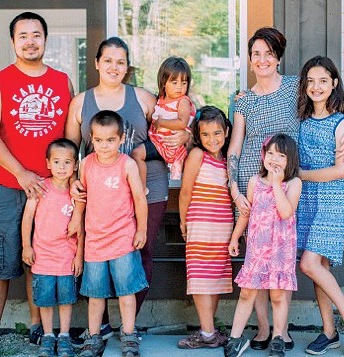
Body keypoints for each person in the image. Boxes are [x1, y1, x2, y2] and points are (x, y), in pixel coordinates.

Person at [227, 27, 344, 351]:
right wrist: (234, 186)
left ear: (278, 57)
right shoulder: (243, 100)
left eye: (268, 54)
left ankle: (281, 331)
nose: (262, 60)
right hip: (252, 183)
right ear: (248, 59)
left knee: (284, 257)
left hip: (288, 185)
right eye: (256, 54)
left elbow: (328, 107)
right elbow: (234, 146)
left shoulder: (292, 88)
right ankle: (261, 330)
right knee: (255, 258)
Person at [65, 37, 190, 340]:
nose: (114, 67)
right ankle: (103, 323)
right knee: (98, 254)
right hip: (101, 190)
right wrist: (72, 181)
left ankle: (127, 326)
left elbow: (178, 129)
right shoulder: (81, 102)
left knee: (140, 250)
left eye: (120, 62)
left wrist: (184, 138)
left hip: (149, 185)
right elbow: (70, 148)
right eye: (107, 60)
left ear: (127, 67)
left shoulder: (144, 98)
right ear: (96, 63)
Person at [0, 12, 73, 357]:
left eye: (36, 35)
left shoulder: (63, 82)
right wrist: (21, 172)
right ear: (13, 41)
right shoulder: (0, 81)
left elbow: (69, 138)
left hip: (51, 190)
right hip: (9, 187)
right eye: (23, 35)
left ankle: (37, 327)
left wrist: (67, 181)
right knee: (1, 262)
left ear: (45, 39)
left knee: (42, 259)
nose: (30, 41)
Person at [297, 56, 344, 357]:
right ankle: (329, 331)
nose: (316, 86)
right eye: (311, 81)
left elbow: (340, 170)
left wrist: (302, 175)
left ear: (334, 83)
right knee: (318, 266)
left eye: (323, 80)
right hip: (307, 200)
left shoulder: (342, 122)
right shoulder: (302, 119)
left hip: (331, 198)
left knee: (309, 264)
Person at [69, 111, 148, 357]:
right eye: (100, 140)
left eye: (111, 140)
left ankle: (129, 335)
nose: (105, 146)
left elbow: (138, 198)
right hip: (94, 241)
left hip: (123, 238)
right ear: (91, 139)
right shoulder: (86, 164)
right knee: (95, 294)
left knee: (126, 292)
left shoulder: (127, 164)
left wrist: (142, 228)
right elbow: (81, 197)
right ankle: (94, 338)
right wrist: (75, 218)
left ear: (121, 138)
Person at [225, 134, 302, 357]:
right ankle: (235, 338)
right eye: (270, 153)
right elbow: (245, 214)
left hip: (280, 251)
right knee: (247, 293)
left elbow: (287, 212)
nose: (274, 159)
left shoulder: (293, 184)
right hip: (257, 250)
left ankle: (278, 338)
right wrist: (234, 237)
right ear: (263, 155)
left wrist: (277, 184)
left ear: (291, 160)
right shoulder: (254, 181)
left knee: (278, 295)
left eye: (281, 155)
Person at [176, 106, 233, 350]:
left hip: (222, 228)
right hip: (199, 224)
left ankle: (208, 330)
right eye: (206, 134)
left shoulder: (228, 158)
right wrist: (183, 220)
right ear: (199, 136)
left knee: (216, 276)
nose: (212, 139)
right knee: (200, 275)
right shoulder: (198, 155)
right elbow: (186, 190)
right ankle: (208, 332)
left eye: (217, 133)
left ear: (227, 131)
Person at [21, 138, 82, 357]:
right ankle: (48, 335)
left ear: (75, 165)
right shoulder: (40, 188)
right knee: (45, 299)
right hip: (43, 257)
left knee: (65, 299)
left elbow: (81, 227)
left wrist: (79, 257)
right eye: (57, 162)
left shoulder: (76, 193)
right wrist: (26, 246)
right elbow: (27, 218)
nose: (62, 167)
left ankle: (64, 335)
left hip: (67, 256)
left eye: (67, 162)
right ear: (48, 163)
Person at [131, 56, 196, 189]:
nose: (179, 87)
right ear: (163, 82)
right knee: (137, 154)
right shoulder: (160, 100)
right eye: (174, 82)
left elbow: (182, 122)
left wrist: (161, 123)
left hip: (171, 145)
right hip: (158, 142)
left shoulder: (183, 101)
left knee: (176, 182)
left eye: (184, 83)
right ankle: (141, 187)